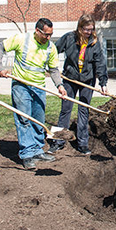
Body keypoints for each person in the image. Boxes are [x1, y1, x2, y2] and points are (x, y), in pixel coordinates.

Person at [0, 18, 67, 170]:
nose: (48, 38)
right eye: (46, 35)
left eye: (51, 35)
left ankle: (37, 150)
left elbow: (54, 70)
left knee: (38, 120)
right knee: (24, 119)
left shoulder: (51, 47)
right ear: (37, 31)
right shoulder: (21, 39)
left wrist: (59, 86)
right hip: (21, 86)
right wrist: (0, 67)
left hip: (39, 88)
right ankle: (27, 153)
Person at [47, 14, 108, 155]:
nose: (89, 32)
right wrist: (49, 64)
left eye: (91, 29)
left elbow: (100, 63)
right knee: (66, 109)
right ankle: (58, 142)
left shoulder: (94, 42)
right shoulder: (69, 38)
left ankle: (83, 144)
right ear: (80, 28)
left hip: (87, 81)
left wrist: (103, 83)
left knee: (83, 111)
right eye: (86, 29)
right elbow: (54, 50)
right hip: (70, 79)